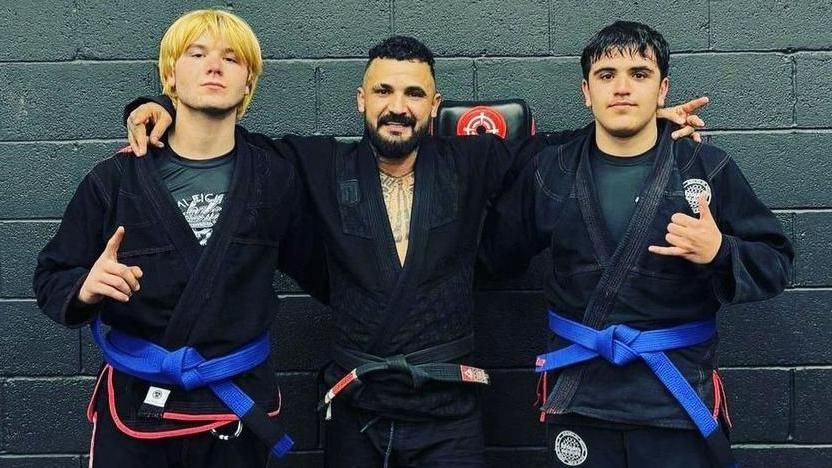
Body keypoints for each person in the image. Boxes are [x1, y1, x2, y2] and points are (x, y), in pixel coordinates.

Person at [122, 35, 707, 467]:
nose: (396, 105)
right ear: (360, 99)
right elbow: (226, 139)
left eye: (412, 93)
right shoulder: (319, 164)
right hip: (356, 405)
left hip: (449, 412)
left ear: (434, 105)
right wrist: (158, 109)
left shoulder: (474, 161)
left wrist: (638, 115)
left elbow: (564, 147)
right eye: (383, 90)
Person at [479, 21, 793, 468]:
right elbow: (491, 258)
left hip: (675, 397)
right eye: (607, 75)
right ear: (586, 91)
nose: (622, 88)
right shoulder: (551, 172)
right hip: (581, 397)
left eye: (639, 75)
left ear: (662, 89)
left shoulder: (705, 168)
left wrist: (720, 252)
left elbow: (777, 261)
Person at [32, 9, 323, 467]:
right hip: (137, 405)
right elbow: (51, 275)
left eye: (232, 58)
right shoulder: (116, 179)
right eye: (198, 53)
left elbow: (327, 270)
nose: (214, 65)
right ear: (169, 75)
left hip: (235, 404)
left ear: (248, 82)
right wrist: (85, 287)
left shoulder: (276, 179)